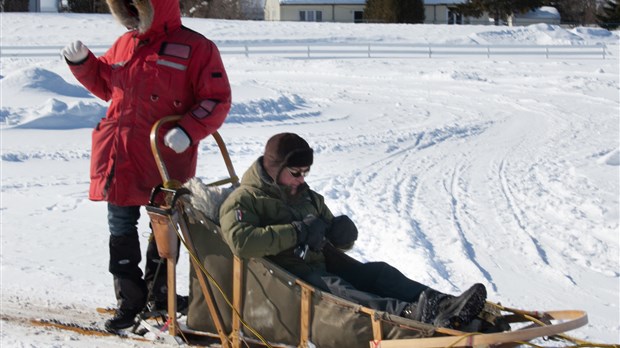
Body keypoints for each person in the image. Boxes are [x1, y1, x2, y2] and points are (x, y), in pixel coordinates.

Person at [61, 0, 231, 331]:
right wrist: (82, 64)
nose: (131, 13)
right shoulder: (125, 43)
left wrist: (189, 129)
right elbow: (106, 85)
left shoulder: (196, 47)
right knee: (120, 228)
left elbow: (216, 99)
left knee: (164, 228)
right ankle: (130, 301)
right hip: (120, 156)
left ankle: (160, 298)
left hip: (164, 159)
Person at [219, 133, 487, 330]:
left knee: (378, 272)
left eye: (305, 172)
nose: (302, 179)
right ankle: (413, 314)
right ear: (274, 168)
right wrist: (297, 232)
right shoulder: (244, 199)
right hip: (286, 277)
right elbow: (241, 242)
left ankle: (443, 305)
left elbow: (327, 233)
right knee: (341, 289)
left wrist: (340, 235)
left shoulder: (306, 196)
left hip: (321, 264)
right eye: (295, 172)